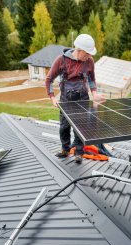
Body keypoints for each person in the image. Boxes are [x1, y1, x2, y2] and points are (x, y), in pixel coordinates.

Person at [45, 34, 105, 163]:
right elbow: (49, 80)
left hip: (83, 99)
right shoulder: (61, 60)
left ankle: (79, 152)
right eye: (87, 53)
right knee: (64, 127)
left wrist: (94, 93)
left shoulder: (89, 61)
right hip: (66, 100)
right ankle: (65, 150)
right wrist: (52, 97)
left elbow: (91, 79)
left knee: (80, 127)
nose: (89, 56)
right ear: (78, 50)